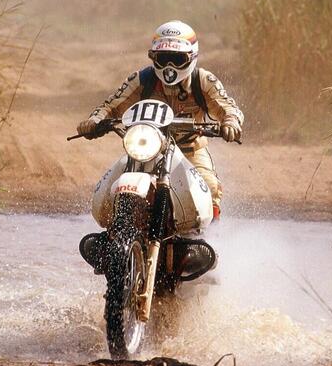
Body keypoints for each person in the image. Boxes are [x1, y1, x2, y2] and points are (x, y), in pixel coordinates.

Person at [76, 20, 244, 220]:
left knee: (211, 188)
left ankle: (210, 236)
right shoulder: (141, 79)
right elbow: (111, 105)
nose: (169, 67)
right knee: (111, 186)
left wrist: (231, 122)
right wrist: (95, 120)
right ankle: (114, 226)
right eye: (163, 58)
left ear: (191, 57)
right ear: (153, 57)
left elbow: (228, 108)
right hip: (147, 151)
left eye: (177, 59)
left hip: (191, 151)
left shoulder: (203, 81)